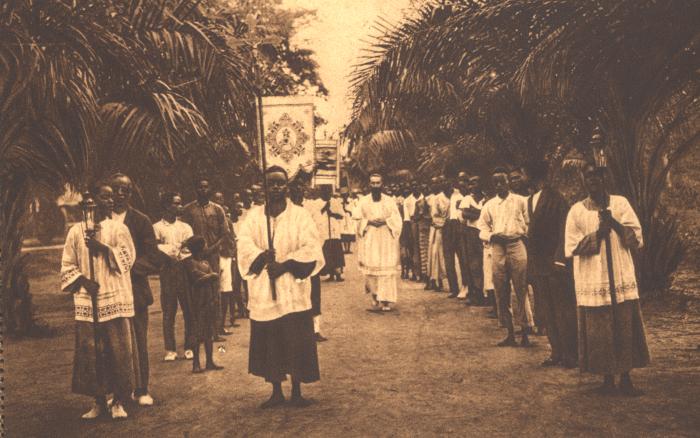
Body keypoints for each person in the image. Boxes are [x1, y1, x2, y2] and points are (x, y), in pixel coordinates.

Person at [238, 166, 325, 408]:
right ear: (264, 187)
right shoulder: (254, 217)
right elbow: (243, 245)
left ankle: (296, 390)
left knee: (295, 338)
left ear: (286, 187)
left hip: (292, 289)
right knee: (271, 340)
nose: (276, 187)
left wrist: (286, 265)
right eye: (271, 183)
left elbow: (311, 247)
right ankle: (276, 390)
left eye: (280, 183)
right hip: (266, 288)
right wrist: (263, 257)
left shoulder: (300, 215)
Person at [565, 163, 650, 395]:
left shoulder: (620, 204)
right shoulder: (576, 211)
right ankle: (606, 379)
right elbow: (570, 247)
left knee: (622, 323)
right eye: (588, 177)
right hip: (593, 275)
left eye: (597, 177)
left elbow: (637, 238)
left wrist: (613, 224)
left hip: (620, 272)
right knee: (600, 328)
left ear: (605, 180)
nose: (593, 181)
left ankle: (625, 378)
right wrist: (597, 234)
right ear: (584, 181)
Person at [61, 180, 138, 419]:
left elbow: (127, 259)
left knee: (118, 351)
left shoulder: (118, 229)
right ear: (91, 201)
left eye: (112, 197)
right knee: (93, 351)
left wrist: (101, 247)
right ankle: (98, 401)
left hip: (114, 298)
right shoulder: (76, 231)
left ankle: (118, 401)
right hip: (89, 299)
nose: (111, 200)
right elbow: (67, 264)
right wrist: (84, 281)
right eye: (104, 196)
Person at [111, 173, 158, 406]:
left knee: (138, 340)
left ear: (131, 193)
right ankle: (118, 392)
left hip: (135, 290)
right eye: (116, 189)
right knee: (114, 342)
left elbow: (152, 257)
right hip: (108, 292)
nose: (120, 194)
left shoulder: (141, 221)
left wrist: (125, 270)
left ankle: (142, 389)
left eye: (125, 190)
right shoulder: (98, 221)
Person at [525, 161, 578, 368]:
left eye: (523, 173)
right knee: (547, 310)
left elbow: (564, 229)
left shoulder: (556, 199)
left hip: (555, 263)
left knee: (563, 309)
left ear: (533, 175)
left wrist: (560, 258)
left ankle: (570, 354)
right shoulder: (530, 200)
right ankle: (556, 351)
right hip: (539, 264)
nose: (521, 178)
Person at [477, 167, 533, 347]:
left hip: (516, 244)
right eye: (496, 183)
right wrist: (492, 236)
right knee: (501, 290)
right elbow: (482, 227)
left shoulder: (520, 201)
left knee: (521, 288)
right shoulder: (489, 205)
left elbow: (529, 222)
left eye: (502, 182)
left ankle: (525, 331)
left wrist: (522, 234)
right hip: (498, 247)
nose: (499, 186)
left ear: (508, 182)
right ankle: (509, 332)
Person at [182, 178, 231, 342]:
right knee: (196, 294)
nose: (203, 190)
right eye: (199, 187)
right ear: (195, 189)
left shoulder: (217, 209)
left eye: (205, 187)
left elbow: (224, 234)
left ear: (209, 189)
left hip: (212, 256)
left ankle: (215, 331)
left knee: (214, 294)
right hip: (194, 258)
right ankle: (198, 333)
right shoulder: (188, 210)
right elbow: (185, 233)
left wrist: (211, 249)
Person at [153, 192, 194, 361]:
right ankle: (170, 349)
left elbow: (190, 248)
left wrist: (172, 249)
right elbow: (155, 249)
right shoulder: (157, 227)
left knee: (189, 310)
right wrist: (173, 249)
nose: (179, 207)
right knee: (168, 311)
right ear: (166, 206)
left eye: (180, 203)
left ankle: (190, 346)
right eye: (176, 204)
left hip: (184, 271)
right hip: (167, 272)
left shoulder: (185, 227)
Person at [356, 173, 402, 311]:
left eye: (378, 183)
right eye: (373, 183)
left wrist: (386, 221)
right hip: (370, 238)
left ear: (382, 184)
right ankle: (375, 298)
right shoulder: (363, 201)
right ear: (369, 184)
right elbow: (356, 219)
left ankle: (386, 302)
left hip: (386, 238)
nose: (375, 186)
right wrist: (368, 221)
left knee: (386, 269)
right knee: (372, 268)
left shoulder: (389, 201)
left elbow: (397, 220)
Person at [182, 236, 224, 373]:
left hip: (209, 300)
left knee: (209, 332)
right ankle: (196, 363)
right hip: (196, 302)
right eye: (205, 245)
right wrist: (211, 277)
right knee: (196, 333)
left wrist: (215, 296)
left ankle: (210, 361)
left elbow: (212, 277)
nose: (206, 247)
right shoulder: (189, 263)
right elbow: (196, 278)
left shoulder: (205, 262)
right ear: (199, 248)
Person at [297, 181, 328, 342]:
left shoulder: (310, 211)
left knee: (313, 294)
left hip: (309, 258)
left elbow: (319, 232)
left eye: (300, 191)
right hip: (291, 261)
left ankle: (315, 329)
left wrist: (310, 252)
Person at [459, 175, 486, 306]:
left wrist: (474, 211)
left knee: (485, 262)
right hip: (471, 233)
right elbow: (465, 214)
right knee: (473, 263)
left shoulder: (486, 198)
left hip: (484, 233)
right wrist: (480, 212)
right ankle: (476, 293)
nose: (472, 186)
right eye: (470, 184)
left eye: (475, 182)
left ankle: (487, 293)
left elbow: (486, 215)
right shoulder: (467, 198)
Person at [213, 191, 237, 335]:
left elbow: (232, 238)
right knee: (213, 294)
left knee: (226, 291)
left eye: (221, 199)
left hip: (225, 257)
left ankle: (221, 324)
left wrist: (232, 253)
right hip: (212, 257)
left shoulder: (227, 220)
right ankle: (213, 327)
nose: (219, 202)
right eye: (216, 199)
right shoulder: (209, 216)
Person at [444, 176, 465, 298]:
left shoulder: (459, 196)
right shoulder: (446, 196)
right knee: (448, 259)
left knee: (462, 258)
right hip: (448, 226)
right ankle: (453, 288)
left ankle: (465, 286)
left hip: (458, 226)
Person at [318, 188, 345, 282]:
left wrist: (332, 213)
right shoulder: (318, 203)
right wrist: (324, 209)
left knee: (336, 254)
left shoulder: (336, 202)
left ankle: (338, 274)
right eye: (323, 194)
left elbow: (342, 216)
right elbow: (317, 215)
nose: (324, 195)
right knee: (327, 254)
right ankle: (330, 274)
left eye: (326, 193)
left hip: (334, 232)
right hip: (325, 232)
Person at [428, 178, 449, 292]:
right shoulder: (432, 198)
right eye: (432, 183)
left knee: (438, 253)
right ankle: (434, 280)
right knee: (433, 253)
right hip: (434, 228)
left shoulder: (441, 198)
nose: (434, 185)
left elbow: (444, 214)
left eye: (436, 183)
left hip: (440, 228)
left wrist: (440, 224)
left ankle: (439, 279)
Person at [416, 184, 432, 286]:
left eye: (427, 188)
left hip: (433, 229)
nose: (425, 190)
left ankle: (435, 280)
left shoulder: (433, 200)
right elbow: (415, 216)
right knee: (424, 254)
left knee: (433, 255)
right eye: (423, 189)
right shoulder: (419, 202)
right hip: (423, 229)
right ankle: (427, 279)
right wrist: (421, 214)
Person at [400, 185, 417, 280]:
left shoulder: (413, 200)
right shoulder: (405, 202)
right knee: (404, 250)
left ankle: (413, 272)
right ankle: (404, 271)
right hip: (405, 225)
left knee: (412, 250)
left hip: (411, 224)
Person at [340, 188, 356, 254]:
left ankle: (348, 249)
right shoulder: (340, 201)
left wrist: (348, 211)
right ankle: (344, 248)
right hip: (343, 218)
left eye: (346, 194)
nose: (345, 196)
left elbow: (353, 210)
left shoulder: (351, 201)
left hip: (349, 218)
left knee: (349, 232)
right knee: (343, 232)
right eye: (343, 195)